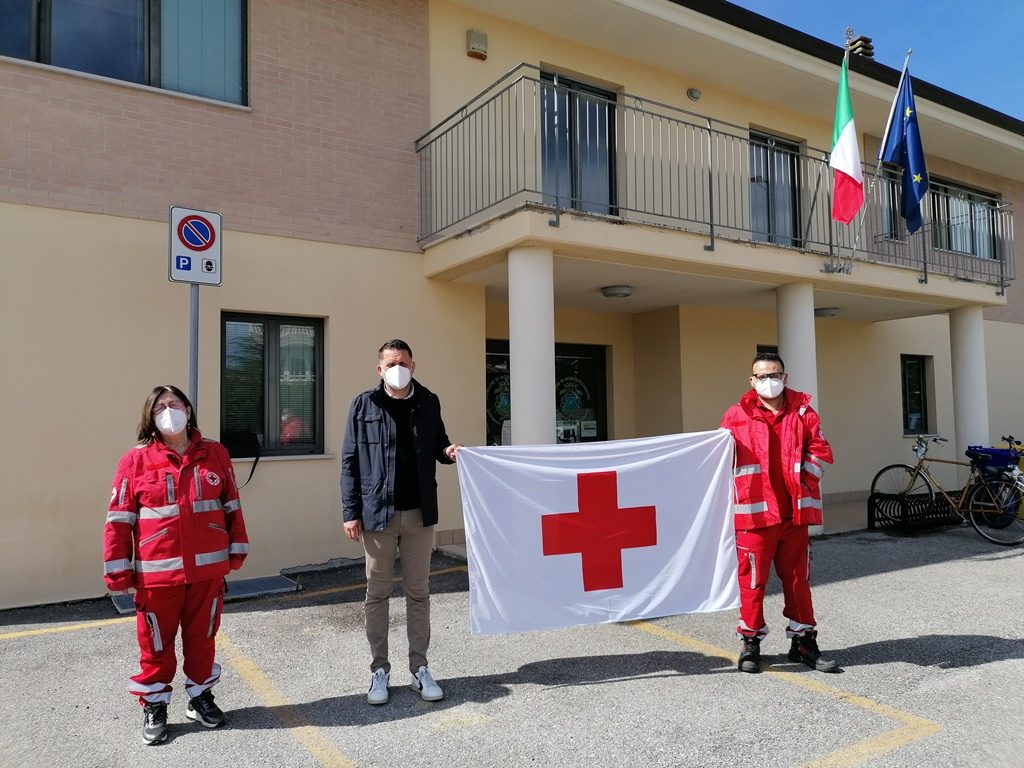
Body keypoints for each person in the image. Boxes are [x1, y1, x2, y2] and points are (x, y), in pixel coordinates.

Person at [103, 385, 249, 745]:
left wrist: (237, 548)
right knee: (156, 645)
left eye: (175, 403)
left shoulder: (215, 453)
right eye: (160, 407)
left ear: (187, 408)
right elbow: (119, 520)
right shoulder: (134, 461)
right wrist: (117, 570)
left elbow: (231, 504)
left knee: (202, 640)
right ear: (150, 417)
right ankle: (155, 704)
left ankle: (200, 698)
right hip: (157, 576)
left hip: (207, 574)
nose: (169, 410)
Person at [341, 339, 462, 705]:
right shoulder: (363, 404)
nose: (398, 368)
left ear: (413, 365)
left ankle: (419, 669)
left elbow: (439, 444)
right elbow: (349, 461)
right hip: (377, 515)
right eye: (392, 363)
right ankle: (379, 670)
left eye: (404, 362)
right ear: (379, 369)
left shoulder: (428, 401)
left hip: (418, 515)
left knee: (418, 593)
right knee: (377, 595)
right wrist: (351, 511)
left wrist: (449, 452)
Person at [720, 352, 838, 674]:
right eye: (762, 376)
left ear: (784, 378)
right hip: (754, 519)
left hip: (793, 517)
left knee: (798, 582)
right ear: (751, 380)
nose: (768, 382)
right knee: (752, 583)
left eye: (774, 375)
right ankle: (750, 643)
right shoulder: (735, 416)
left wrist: (803, 483)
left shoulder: (804, 413)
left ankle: (804, 643)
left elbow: (821, 452)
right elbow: (719, 460)